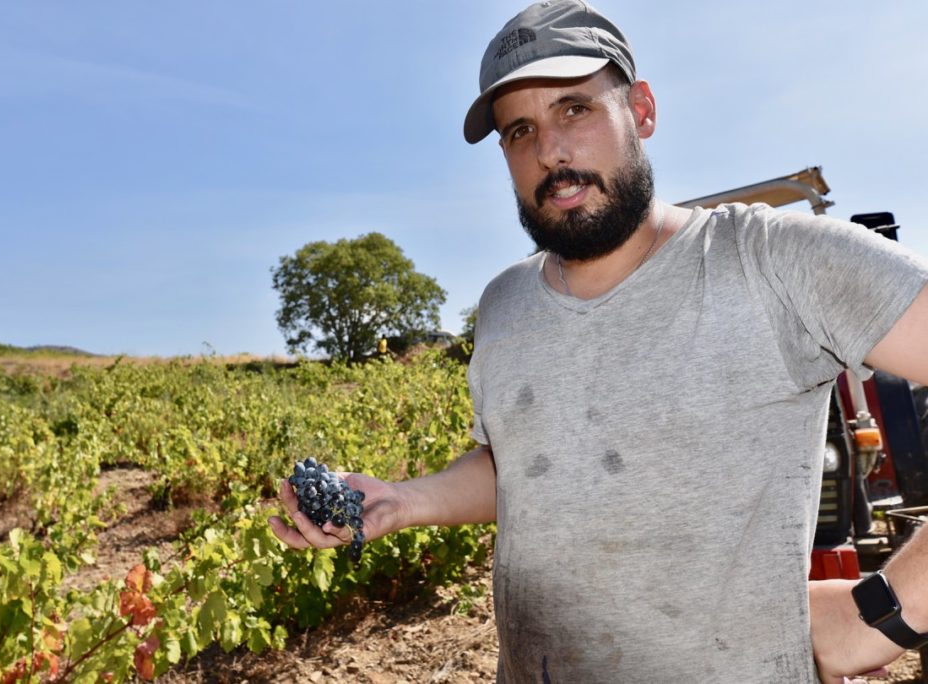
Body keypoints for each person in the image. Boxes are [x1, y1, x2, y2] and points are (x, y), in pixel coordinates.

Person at [270, 1, 928, 682]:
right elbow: (534, 468)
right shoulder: (504, 307)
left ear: (641, 110)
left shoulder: (773, 260)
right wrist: (406, 501)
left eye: (574, 109)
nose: (549, 150)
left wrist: (880, 614)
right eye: (519, 129)